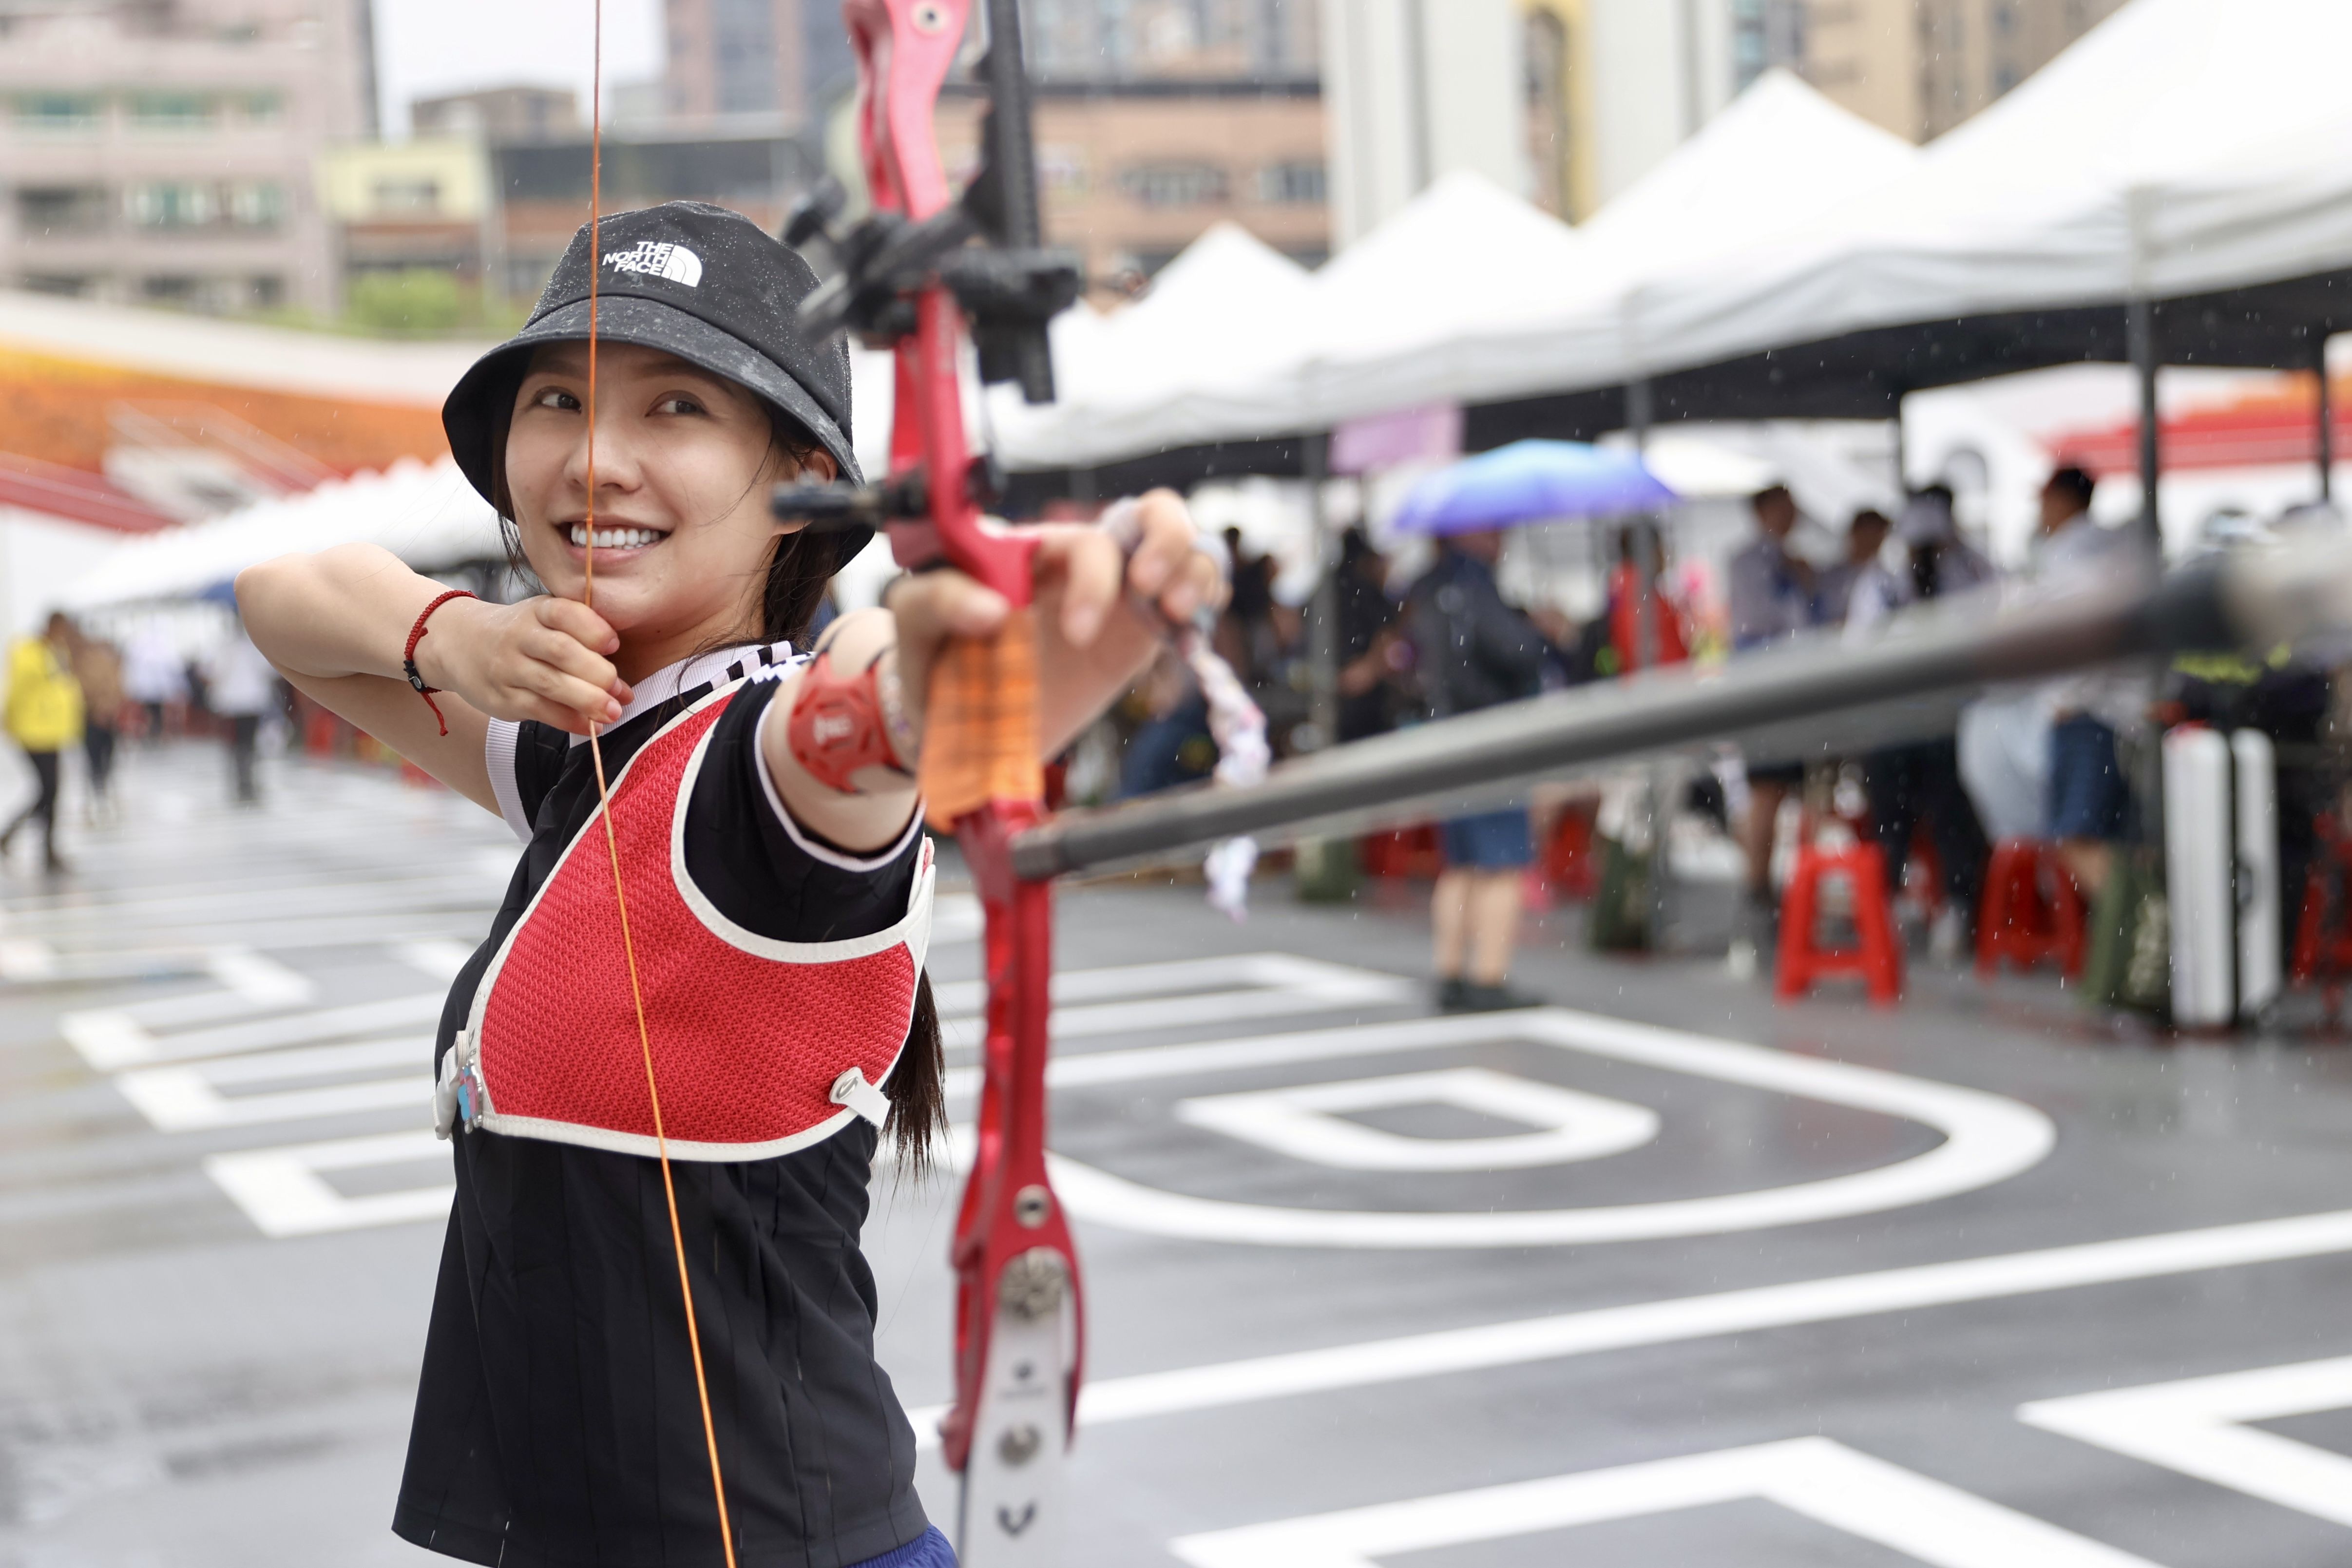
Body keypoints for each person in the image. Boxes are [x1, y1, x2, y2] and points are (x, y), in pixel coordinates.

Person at [234, 201, 1221, 1568]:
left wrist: (1003, 648)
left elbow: (871, 721)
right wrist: (449, 634)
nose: (594, 458)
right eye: (561, 399)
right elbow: (281, 597)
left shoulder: (758, 775)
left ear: (802, 473)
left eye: (676, 407)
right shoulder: (584, 747)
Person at [1852, 489, 2000, 953]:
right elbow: (1860, 648)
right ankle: (1887, 911)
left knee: (1951, 818)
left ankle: (1958, 908)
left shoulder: (1968, 571)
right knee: (1890, 823)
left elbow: (1990, 626)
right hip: (1893, 724)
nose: (1927, 558)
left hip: (1944, 723)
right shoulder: (1881, 581)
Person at [1408, 526, 1546, 1010]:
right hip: (1489, 739)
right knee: (1502, 865)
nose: (1503, 536)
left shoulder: (1430, 587)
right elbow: (1517, 651)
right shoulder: (1477, 588)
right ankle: (1489, 976)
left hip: (1447, 734)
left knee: (1461, 864)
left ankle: (1450, 971)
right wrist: (1535, 628)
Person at [2028, 466, 2153, 901]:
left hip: (2092, 716)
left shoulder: (2072, 551)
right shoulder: (2107, 546)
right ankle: (2139, 939)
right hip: (2121, 713)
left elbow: (2089, 635)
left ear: (2061, 500)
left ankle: (2141, 936)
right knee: (2118, 841)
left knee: (2078, 837)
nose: (2038, 510)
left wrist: (2068, 698)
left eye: (2042, 499)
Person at [1724, 484, 1816, 947]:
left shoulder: (1792, 562)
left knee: (1788, 791)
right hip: (1765, 688)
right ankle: (1757, 885)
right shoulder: (1748, 562)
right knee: (1765, 792)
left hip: (1791, 688)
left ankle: (1783, 890)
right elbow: (1763, 624)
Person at [2, 613, 83, 873]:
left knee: (50, 791)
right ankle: (31, 843)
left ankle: (36, 844)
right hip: (33, 731)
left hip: (52, 731)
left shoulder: (55, 652)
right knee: (48, 790)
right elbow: (18, 689)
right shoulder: (29, 652)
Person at [204, 621, 280, 803]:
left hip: (231, 703)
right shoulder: (255, 646)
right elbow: (269, 670)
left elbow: (214, 672)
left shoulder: (224, 647)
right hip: (251, 701)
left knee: (235, 742)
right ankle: (248, 776)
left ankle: (241, 777)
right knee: (248, 741)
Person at [63, 619, 122, 818]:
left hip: (103, 715)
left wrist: (107, 708)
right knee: (94, 759)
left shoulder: (96, 658)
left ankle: (102, 792)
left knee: (104, 758)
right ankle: (98, 794)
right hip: (90, 717)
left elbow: (113, 684)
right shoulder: (73, 660)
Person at [1815, 508, 1893, 627]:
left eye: (1880, 534)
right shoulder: (1832, 576)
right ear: (1857, 532)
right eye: (1872, 533)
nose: (1877, 539)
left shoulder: (1887, 576)